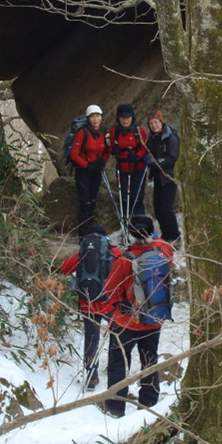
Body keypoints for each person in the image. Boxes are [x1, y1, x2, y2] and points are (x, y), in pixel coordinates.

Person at [101, 215, 174, 418]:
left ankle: (116, 407)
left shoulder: (125, 261)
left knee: (118, 363)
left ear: (130, 235)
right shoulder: (163, 251)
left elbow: (110, 291)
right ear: (151, 232)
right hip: (154, 318)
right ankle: (148, 402)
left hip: (127, 322)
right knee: (149, 359)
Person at [59, 225, 122, 391]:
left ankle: (92, 376)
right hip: (109, 302)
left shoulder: (84, 252)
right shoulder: (113, 253)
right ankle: (112, 368)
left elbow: (65, 268)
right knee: (116, 333)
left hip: (87, 302)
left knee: (91, 337)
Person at [69, 104, 110, 236]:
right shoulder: (83, 132)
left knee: (92, 201)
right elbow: (74, 154)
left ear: (101, 117)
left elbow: (107, 150)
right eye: (92, 117)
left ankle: (90, 231)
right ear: (88, 118)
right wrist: (87, 165)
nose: (95, 120)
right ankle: (83, 234)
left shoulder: (103, 131)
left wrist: (102, 161)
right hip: (83, 171)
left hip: (96, 170)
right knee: (85, 202)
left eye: (97, 116)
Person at [143, 109, 181, 245]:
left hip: (168, 177)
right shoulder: (152, 138)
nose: (154, 125)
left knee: (166, 207)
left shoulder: (170, 137)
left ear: (161, 121)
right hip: (158, 178)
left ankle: (175, 236)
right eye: (151, 123)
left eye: (156, 122)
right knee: (158, 208)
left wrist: (155, 163)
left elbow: (172, 158)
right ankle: (166, 235)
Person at [109, 103, 148, 221]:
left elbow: (145, 148)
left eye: (128, 117)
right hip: (122, 169)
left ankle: (140, 222)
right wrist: (113, 150)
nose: (125, 120)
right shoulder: (114, 132)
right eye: (122, 118)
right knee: (125, 196)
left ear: (132, 117)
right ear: (118, 118)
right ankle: (126, 220)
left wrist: (137, 156)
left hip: (138, 168)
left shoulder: (139, 131)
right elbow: (110, 148)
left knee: (137, 196)